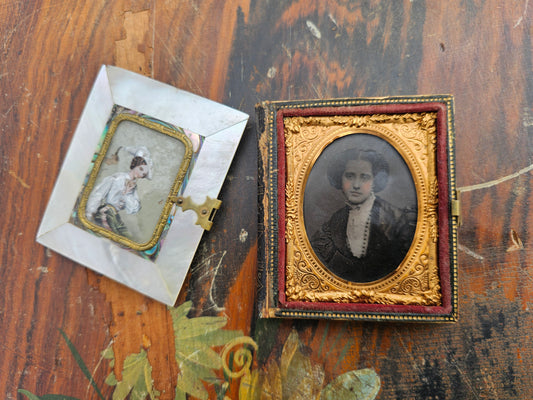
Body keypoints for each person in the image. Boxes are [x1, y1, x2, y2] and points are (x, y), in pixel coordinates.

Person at [310, 148, 416, 282]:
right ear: (340, 179)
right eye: (349, 176)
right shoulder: (335, 220)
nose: (356, 185)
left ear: (374, 181)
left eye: (364, 177)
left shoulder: (397, 218)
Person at [85, 146, 153, 237]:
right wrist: (90, 212)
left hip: (115, 216)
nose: (140, 174)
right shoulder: (117, 178)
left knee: (128, 237)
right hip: (106, 212)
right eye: (140, 169)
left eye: (144, 174)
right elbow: (99, 194)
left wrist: (127, 194)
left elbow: (133, 209)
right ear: (135, 164)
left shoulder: (133, 187)